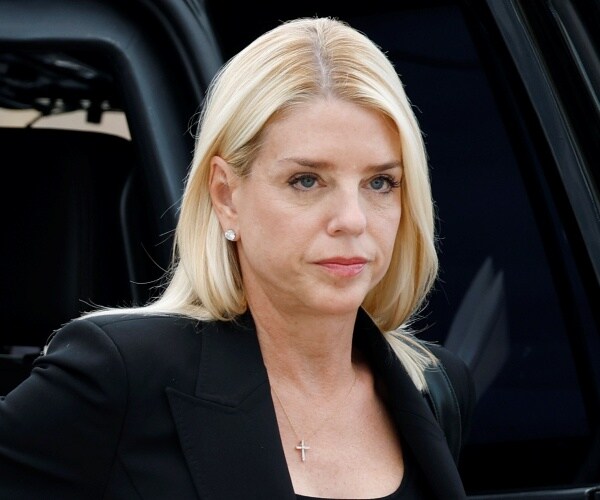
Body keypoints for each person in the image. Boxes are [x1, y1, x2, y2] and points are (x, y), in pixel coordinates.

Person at [0, 16, 475, 499]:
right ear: (226, 194)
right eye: (307, 180)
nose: (352, 219)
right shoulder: (120, 374)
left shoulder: (435, 388)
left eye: (380, 182)